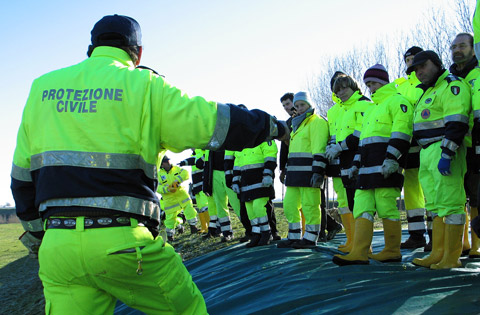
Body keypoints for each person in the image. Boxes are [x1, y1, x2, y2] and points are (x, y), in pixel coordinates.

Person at [10, 14, 288, 314]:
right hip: (123, 241)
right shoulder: (144, 85)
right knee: (187, 308)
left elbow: (22, 180)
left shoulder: (42, 89)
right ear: (138, 52)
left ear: (91, 48)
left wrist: (40, 237)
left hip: (58, 250)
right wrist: (275, 127)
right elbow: (213, 121)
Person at [333, 64, 413, 266]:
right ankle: (359, 252)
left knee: (386, 206)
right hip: (365, 170)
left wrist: (392, 158)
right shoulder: (371, 109)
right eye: (368, 83)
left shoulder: (397, 101)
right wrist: (355, 165)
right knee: (361, 207)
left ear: (384, 81)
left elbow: (402, 132)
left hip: (386, 166)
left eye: (375, 82)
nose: (371, 87)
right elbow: (363, 143)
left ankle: (392, 250)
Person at [407, 50, 471, 269]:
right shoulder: (426, 93)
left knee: (451, 205)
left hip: (443, 150)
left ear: (436, 63)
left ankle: (452, 257)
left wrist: (447, 153)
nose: (419, 72)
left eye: (423, 66)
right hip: (426, 153)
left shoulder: (451, 86)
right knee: (434, 206)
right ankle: (438, 252)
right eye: (415, 69)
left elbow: (457, 122)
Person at [327, 73, 373, 253]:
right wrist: (334, 149)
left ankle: (363, 247)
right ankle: (356, 244)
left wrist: (340, 146)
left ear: (353, 86)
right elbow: (335, 134)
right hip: (345, 161)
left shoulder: (363, 104)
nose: (341, 93)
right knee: (352, 203)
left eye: (344, 88)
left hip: (361, 158)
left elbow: (359, 133)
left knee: (363, 204)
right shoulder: (341, 109)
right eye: (337, 90)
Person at [277, 91, 329, 249]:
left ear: (309, 105)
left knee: (310, 205)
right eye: (297, 105)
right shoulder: (295, 124)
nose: (299, 108)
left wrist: (318, 171)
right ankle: (293, 236)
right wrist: (285, 170)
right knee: (289, 205)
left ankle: (311, 238)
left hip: (309, 173)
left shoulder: (317, 122)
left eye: (302, 105)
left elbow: (319, 147)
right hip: (294, 174)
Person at [395, 46, 430, 250]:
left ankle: (437, 236)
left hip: (426, 141)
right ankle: (417, 235)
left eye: (414, 58)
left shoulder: (428, 81)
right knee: (411, 192)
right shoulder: (400, 85)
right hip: (407, 145)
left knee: (430, 189)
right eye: (407, 59)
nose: (410, 62)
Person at [449, 32, 480, 258]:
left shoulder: (477, 75)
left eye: (461, 45)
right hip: (458, 148)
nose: (456, 50)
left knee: (477, 196)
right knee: (460, 197)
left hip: (475, 146)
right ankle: (463, 243)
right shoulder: (452, 80)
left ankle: (477, 246)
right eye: (453, 47)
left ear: (473, 47)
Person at [157, 155, 198, 240]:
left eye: (168, 160)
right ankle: (170, 236)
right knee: (170, 219)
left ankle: (193, 227)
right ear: (162, 164)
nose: (168, 162)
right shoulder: (159, 175)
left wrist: (177, 181)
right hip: (170, 201)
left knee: (190, 210)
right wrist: (167, 189)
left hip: (182, 195)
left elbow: (185, 174)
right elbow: (157, 188)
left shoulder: (176, 168)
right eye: (166, 161)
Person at [179, 149, 210, 233]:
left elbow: (193, 161)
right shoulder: (194, 155)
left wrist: (184, 162)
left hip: (202, 184)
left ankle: (211, 228)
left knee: (205, 205)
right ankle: (204, 227)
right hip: (196, 185)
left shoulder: (201, 152)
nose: (191, 148)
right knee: (200, 207)